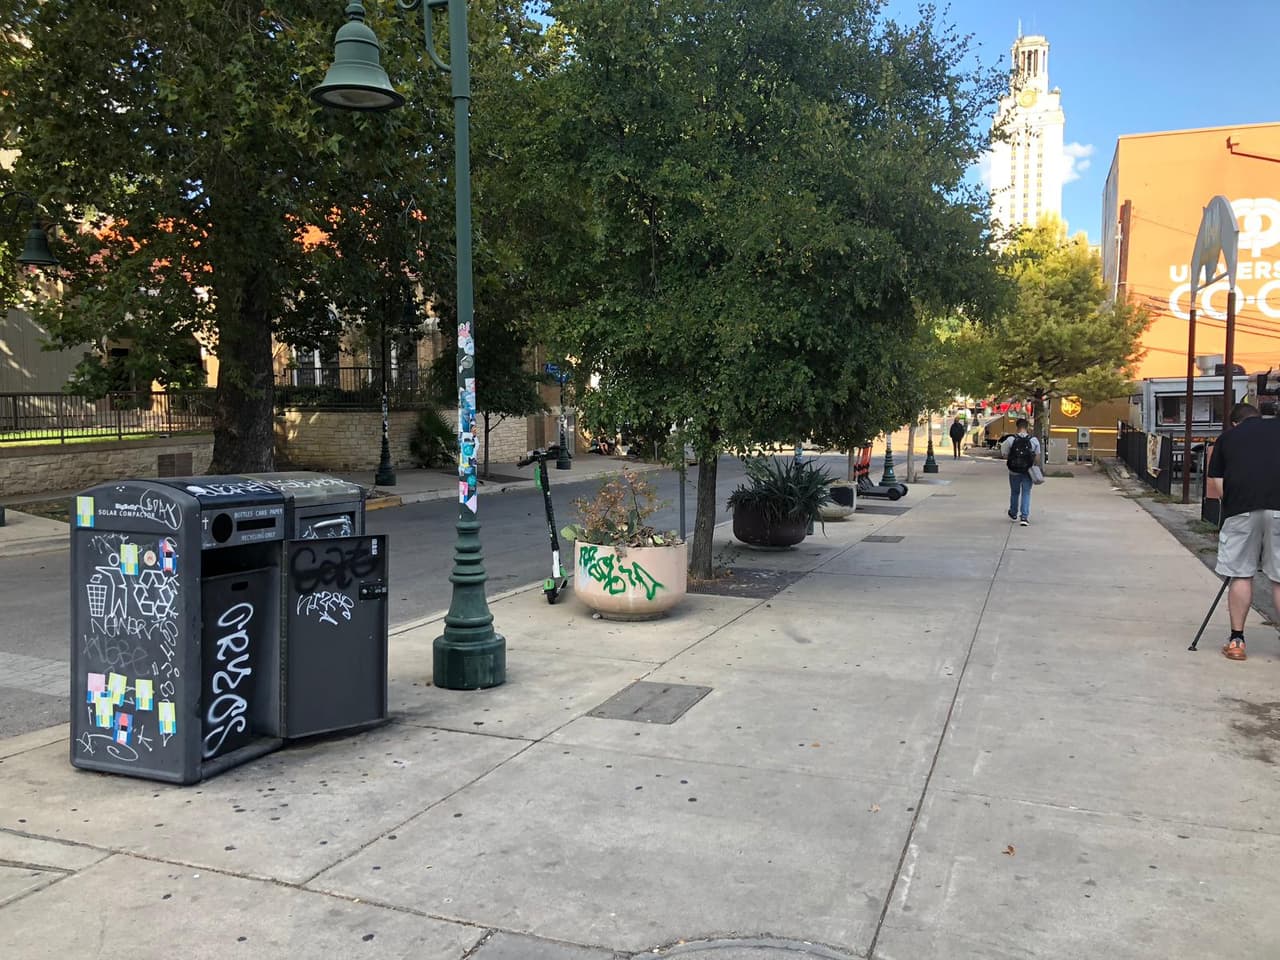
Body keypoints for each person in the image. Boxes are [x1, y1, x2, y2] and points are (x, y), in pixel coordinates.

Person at [1205, 401, 1280, 661]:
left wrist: (1232, 505)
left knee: (1240, 573)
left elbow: (1217, 481)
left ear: (1235, 422)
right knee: (1279, 578)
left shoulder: (1227, 438)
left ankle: (1237, 641)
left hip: (1242, 510)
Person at [1000, 418, 1040, 526]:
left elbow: (1004, 454)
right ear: (1027, 427)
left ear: (1017, 427)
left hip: (1014, 471)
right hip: (1028, 471)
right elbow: (1037, 457)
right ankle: (1024, 517)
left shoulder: (1010, 440)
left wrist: (1013, 459)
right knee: (1026, 492)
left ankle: (1013, 512)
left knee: (1015, 492)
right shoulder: (1034, 440)